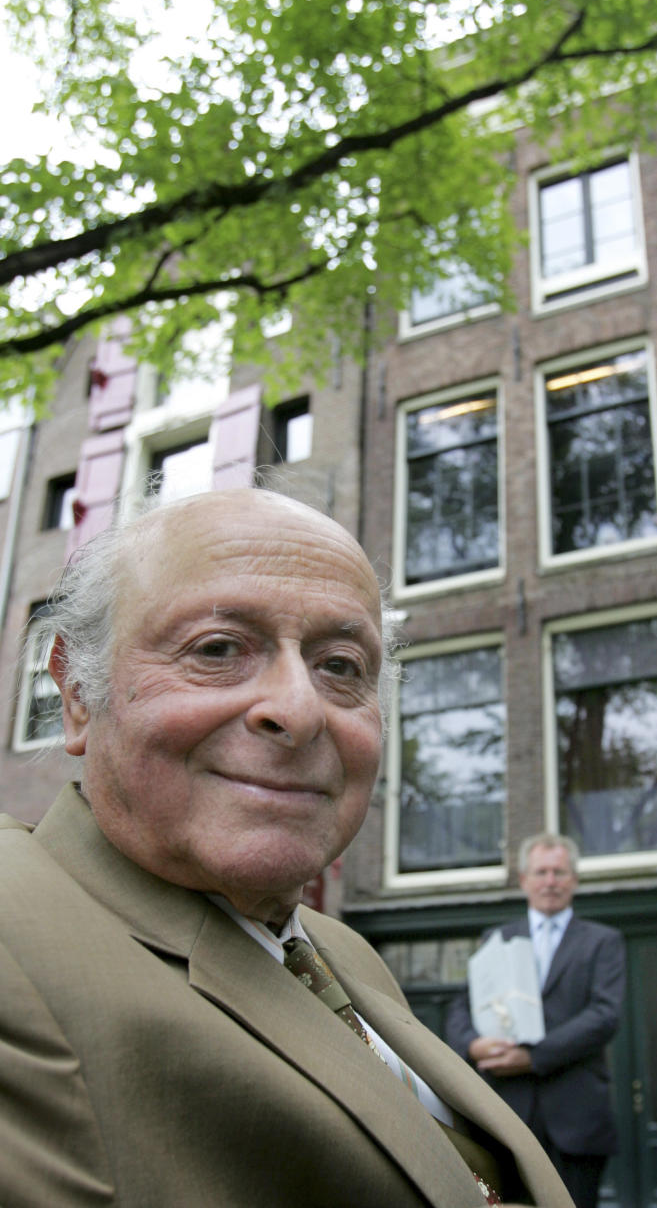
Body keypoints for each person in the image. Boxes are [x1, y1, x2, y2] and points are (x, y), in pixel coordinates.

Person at [0, 488, 574, 1208]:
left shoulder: (343, 953)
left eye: (340, 665)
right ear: (78, 693)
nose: (300, 709)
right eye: (217, 648)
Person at [446, 833, 625, 1208]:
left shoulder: (602, 941)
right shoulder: (495, 937)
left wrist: (534, 1056)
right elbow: (463, 1007)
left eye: (559, 872)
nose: (550, 881)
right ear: (524, 880)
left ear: (574, 880)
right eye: (541, 872)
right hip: (505, 1116)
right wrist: (472, 1044)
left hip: (576, 1119)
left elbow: (605, 1015)